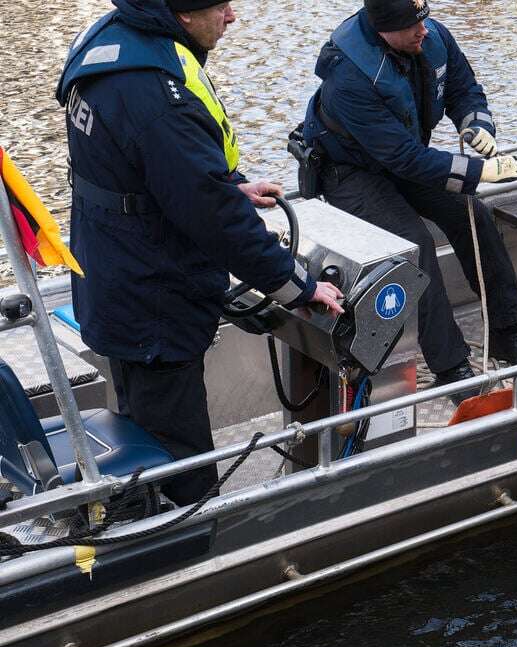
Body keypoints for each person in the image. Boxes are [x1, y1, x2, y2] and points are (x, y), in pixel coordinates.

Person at [56, 0, 344, 504]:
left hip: (113, 269)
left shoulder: (120, 39)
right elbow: (215, 217)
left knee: (143, 415)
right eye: (221, 6)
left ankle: (144, 507)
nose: (232, 16)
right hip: (152, 298)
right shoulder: (155, 94)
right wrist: (295, 285)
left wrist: (227, 185)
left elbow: (151, 169)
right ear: (184, 14)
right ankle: (191, 541)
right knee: (179, 448)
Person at [300, 0, 517, 401]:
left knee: (472, 214)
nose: (423, 31)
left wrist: (475, 122)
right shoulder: (348, 78)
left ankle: (504, 331)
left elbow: (464, 89)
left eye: (423, 21)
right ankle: (451, 366)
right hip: (352, 172)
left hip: (406, 157)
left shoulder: (431, 38)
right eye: (412, 26)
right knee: (416, 244)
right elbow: (402, 158)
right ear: (382, 31)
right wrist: (480, 172)